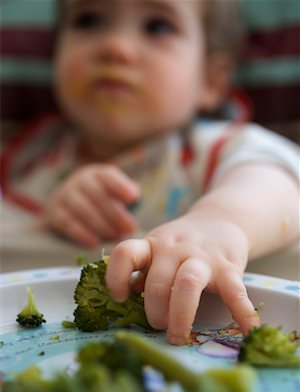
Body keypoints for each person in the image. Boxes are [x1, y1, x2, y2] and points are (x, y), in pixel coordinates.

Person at [1, 0, 299, 345]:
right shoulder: (33, 161)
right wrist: (48, 225)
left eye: (157, 27)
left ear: (211, 80)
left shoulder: (216, 148)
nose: (115, 47)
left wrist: (220, 222)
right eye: (89, 20)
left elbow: (280, 179)